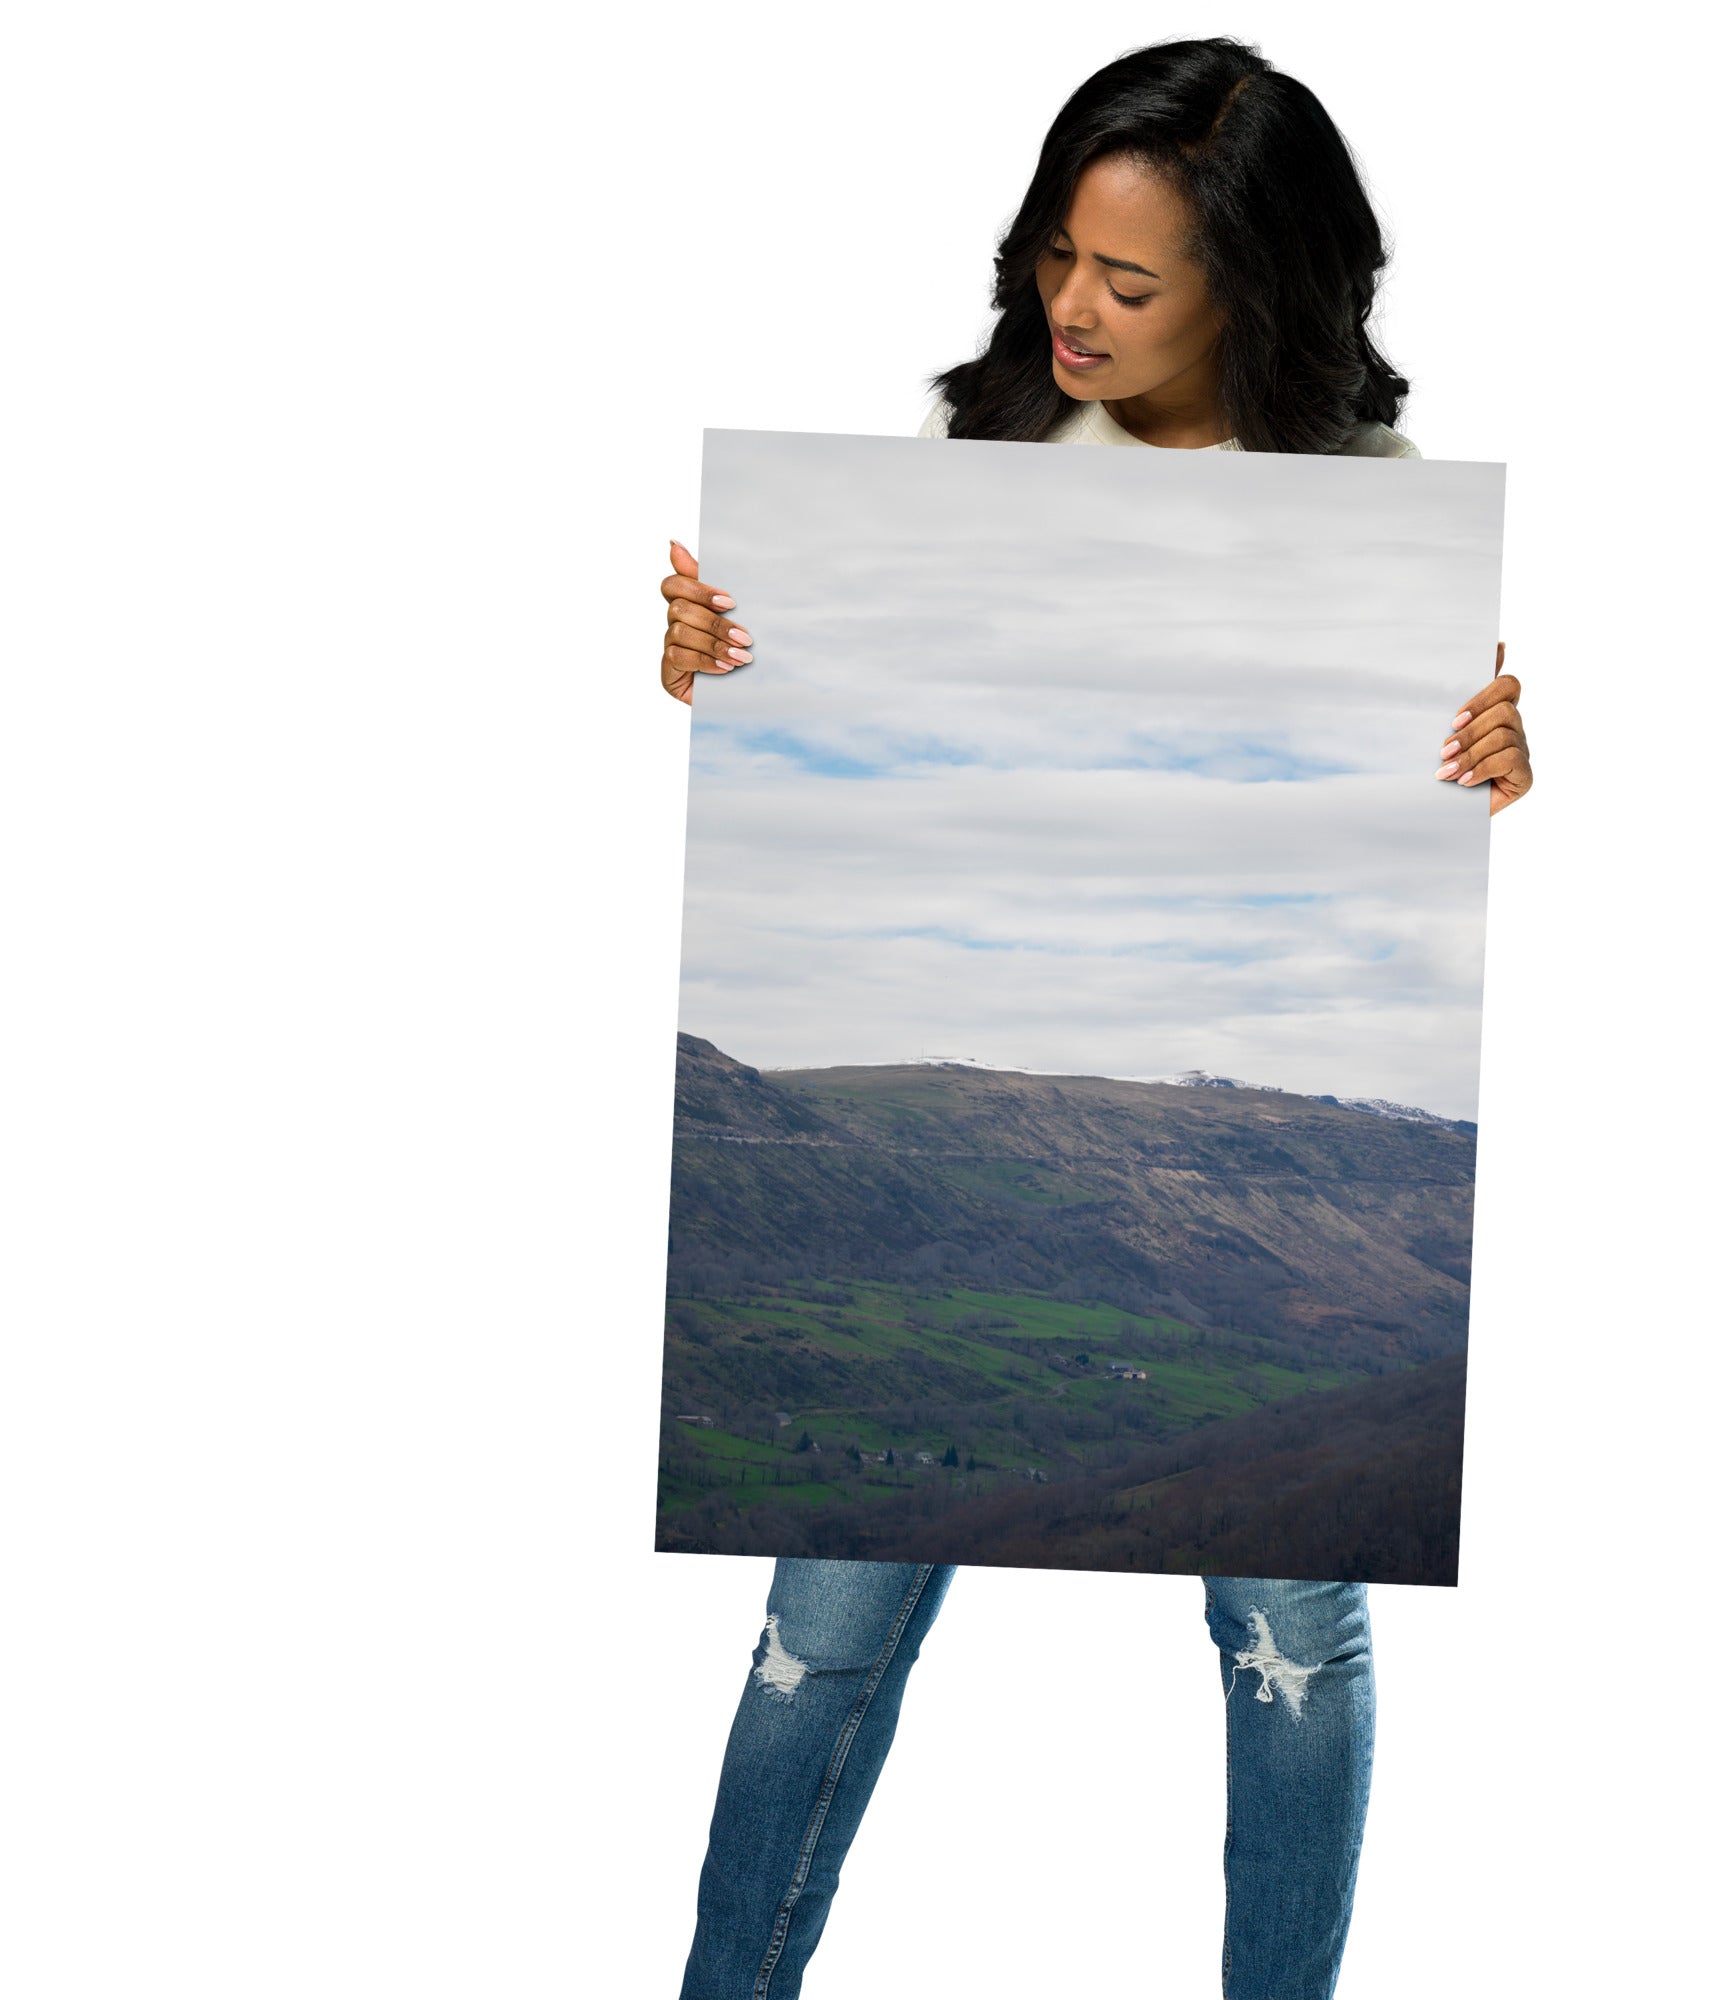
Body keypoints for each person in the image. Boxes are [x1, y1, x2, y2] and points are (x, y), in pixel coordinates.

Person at [656, 38, 1532, 2000]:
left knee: (1295, 1636)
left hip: (1248, 1047)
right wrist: (704, 662)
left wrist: (1498, 760)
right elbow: (810, 748)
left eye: (1129, 283)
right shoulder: (966, 472)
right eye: (1060, 254)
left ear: (1257, 284)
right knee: (817, 1628)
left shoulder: (1378, 521)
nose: (1072, 306)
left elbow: (1403, 854)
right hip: (924, 1196)